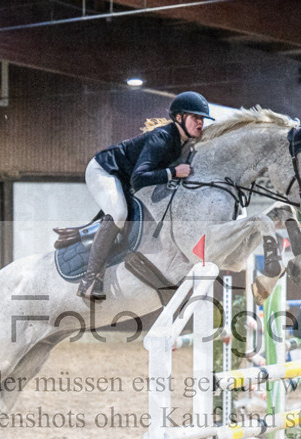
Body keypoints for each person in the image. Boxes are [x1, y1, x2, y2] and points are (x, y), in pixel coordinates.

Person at [76, 91, 213, 300]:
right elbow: (138, 179)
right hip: (104, 170)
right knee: (119, 214)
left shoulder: (183, 142)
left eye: (202, 118)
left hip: (123, 178)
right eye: (196, 117)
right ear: (178, 117)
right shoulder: (163, 137)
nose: (200, 123)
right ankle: (89, 279)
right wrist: (174, 172)